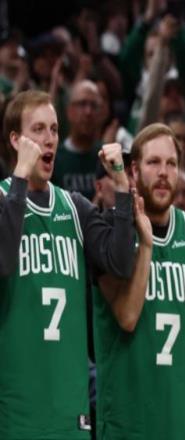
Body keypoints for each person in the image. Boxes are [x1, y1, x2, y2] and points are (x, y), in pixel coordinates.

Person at [0, 90, 135, 439]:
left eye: (55, 129)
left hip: (70, 409)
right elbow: (3, 259)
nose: (49, 139)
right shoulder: (2, 198)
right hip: (16, 410)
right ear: (15, 140)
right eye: (38, 129)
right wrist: (19, 177)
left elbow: (121, 263)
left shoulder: (74, 208)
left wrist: (122, 189)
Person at [93, 123, 185, 440]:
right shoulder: (109, 228)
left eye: (171, 163)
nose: (163, 173)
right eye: (153, 162)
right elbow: (127, 317)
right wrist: (145, 244)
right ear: (133, 170)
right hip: (126, 424)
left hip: (178, 421)